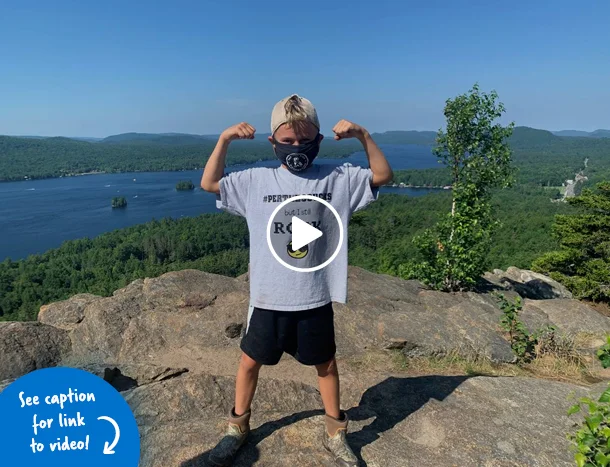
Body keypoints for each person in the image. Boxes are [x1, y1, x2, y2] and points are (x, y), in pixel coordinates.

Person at [201, 94, 393, 466]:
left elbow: (382, 176)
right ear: (272, 143)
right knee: (248, 363)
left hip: (314, 296)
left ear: (318, 140)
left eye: (304, 141)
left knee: (326, 365)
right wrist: (224, 139)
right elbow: (210, 183)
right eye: (287, 141)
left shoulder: (338, 179)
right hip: (269, 297)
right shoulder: (256, 181)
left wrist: (363, 135)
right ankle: (237, 428)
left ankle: (336, 433)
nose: (296, 148)